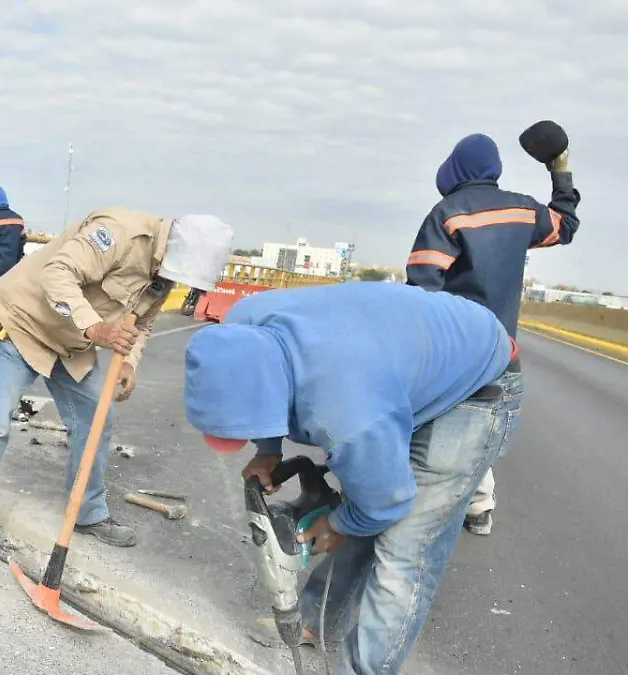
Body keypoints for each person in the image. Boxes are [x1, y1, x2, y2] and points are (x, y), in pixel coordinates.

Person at [184, 281, 522, 675]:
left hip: (475, 385)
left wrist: (336, 523)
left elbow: (386, 502)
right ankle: (315, 623)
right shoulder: (242, 327)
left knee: (405, 552)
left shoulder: (346, 415)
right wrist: (267, 448)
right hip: (398, 366)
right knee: (366, 498)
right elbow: (263, 377)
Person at [0, 208, 237, 578]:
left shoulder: (165, 271)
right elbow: (56, 273)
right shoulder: (118, 234)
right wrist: (96, 329)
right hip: (20, 326)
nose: (171, 281)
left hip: (72, 343)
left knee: (97, 417)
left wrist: (130, 362)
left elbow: (143, 322)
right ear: (172, 245)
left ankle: (88, 513)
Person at [405, 132, 579, 535]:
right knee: (482, 423)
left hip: (455, 347)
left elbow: (422, 286)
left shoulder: (448, 212)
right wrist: (561, 171)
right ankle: (480, 508)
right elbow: (564, 225)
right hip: (501, 348)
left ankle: (411, 505)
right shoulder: (522, 211)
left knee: (433, 419)